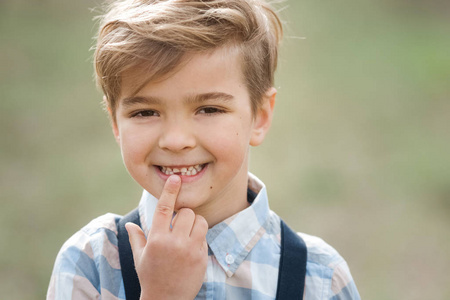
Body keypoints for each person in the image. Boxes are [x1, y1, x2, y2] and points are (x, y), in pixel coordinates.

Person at [47, 0, 360, 299]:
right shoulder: (90, 262)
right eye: (145, 112)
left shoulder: (319, 279)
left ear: (260, 117)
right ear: (115, 123)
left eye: (208, 109)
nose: (175, 140)